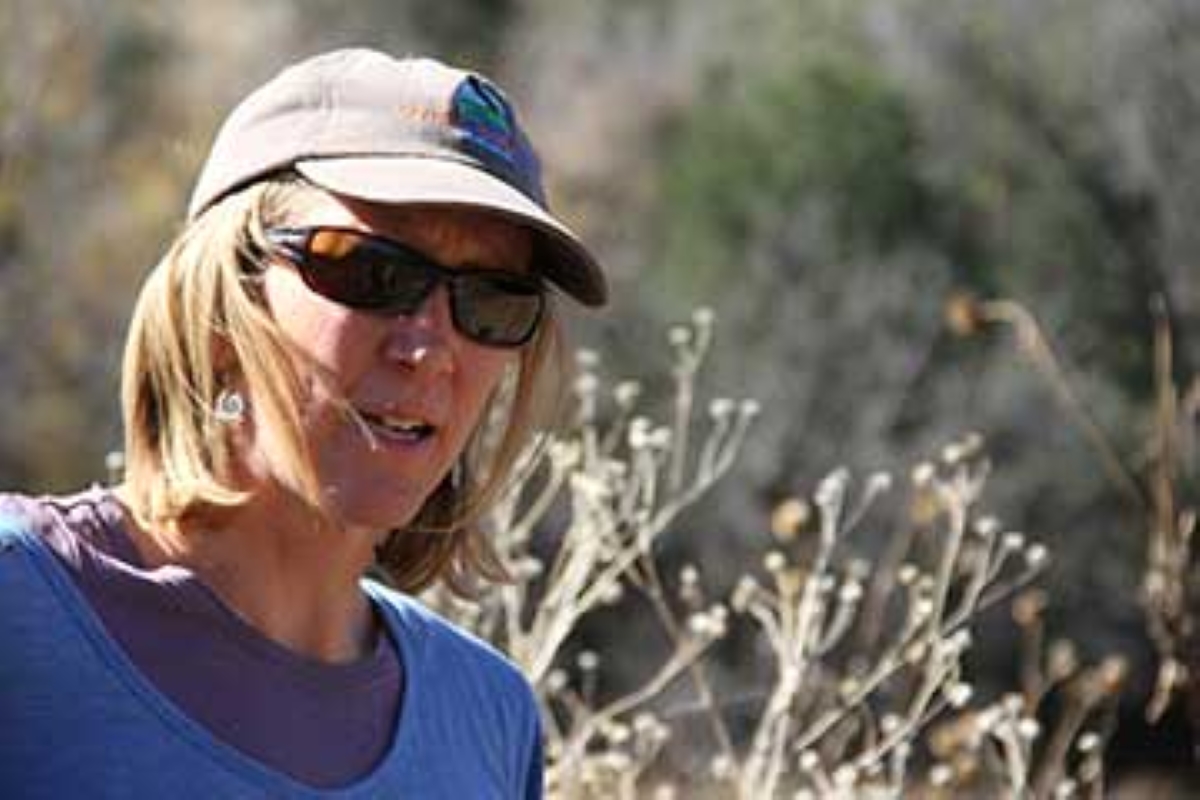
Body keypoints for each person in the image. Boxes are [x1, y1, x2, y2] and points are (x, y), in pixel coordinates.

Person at [0, 47, 606, 798]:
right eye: (375, 273)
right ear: (226, 299)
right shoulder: (19, 607)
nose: (428, 349)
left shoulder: (489, 717)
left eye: (491, 300)